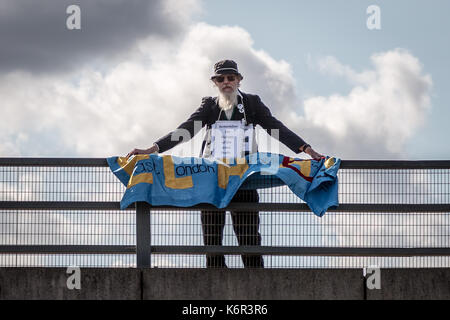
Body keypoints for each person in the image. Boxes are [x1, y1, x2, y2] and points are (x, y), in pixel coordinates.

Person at [127, 59, 323, 268]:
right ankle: (214, 279)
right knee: (212, 236)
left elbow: (277, 127)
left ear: (239, 80)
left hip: (244, 179)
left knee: (249, 237)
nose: (226, 82)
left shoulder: (251, 104)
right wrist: (153, 149)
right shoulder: (209, 106)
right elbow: (185, 130)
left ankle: (255, 281)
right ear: (215, 83)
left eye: (231, 78)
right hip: (213, 180)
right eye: (221, 79)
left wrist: (306, 149)